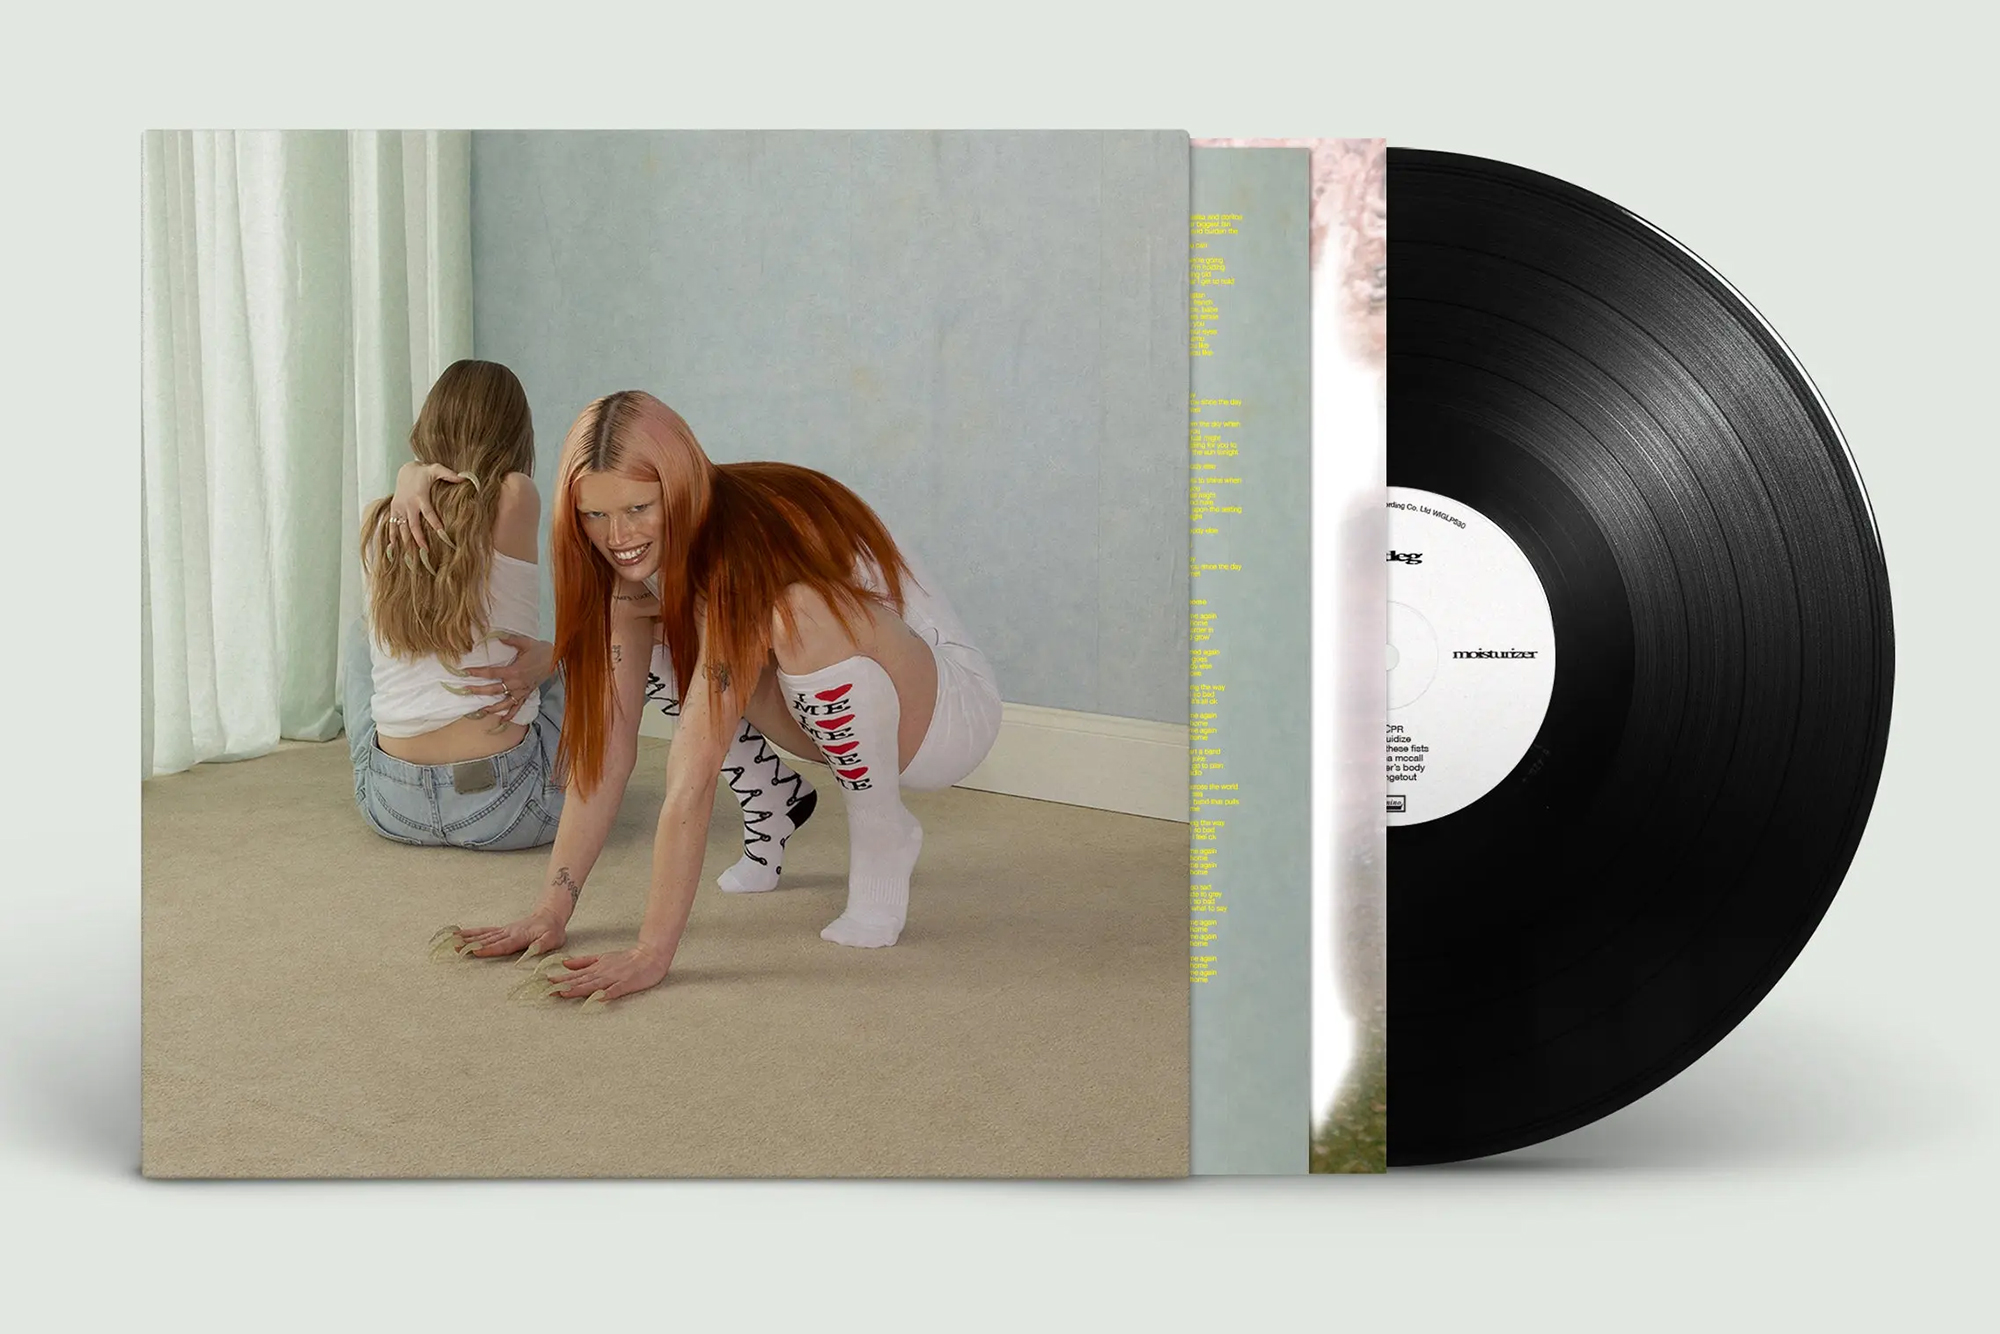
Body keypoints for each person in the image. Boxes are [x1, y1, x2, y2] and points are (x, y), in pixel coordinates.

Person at [457, 391, 1001, 1000]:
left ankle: (883, 836)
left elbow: (691, 776)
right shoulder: (629, 580)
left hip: (943, 714)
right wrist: (550, 910)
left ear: (678, 489)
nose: (618, 536)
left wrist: (651, 951)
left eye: (638, 508)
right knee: (656, 622)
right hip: (831, 713)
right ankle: (770, 793)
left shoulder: (738, 549)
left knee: (796, 611)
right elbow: (605, 754)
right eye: (595, 515)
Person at [343, 359, 565, 850]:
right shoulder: (515, 495)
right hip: (508, 806)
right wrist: (557, 655)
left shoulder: (380, 518)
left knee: (362, 634)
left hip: (390, 804)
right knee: (591, 653)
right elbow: (482, 492)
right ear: (515, 433)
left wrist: (410, 472)